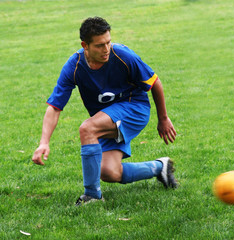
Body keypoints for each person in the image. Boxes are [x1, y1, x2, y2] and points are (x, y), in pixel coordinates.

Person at [32, 16, 177, 206]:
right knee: (109, 172)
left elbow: (154, 82)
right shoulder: (74, 67)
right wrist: (44, 142)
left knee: (87, 128)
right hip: (107, 117)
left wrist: (163, 119)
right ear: (85, 45)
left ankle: (92, 195)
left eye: (108, 42)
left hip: (135, 109)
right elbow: (55, 107)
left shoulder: (124, 56)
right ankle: (160, 167)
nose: (106, 49)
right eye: (100, 45)